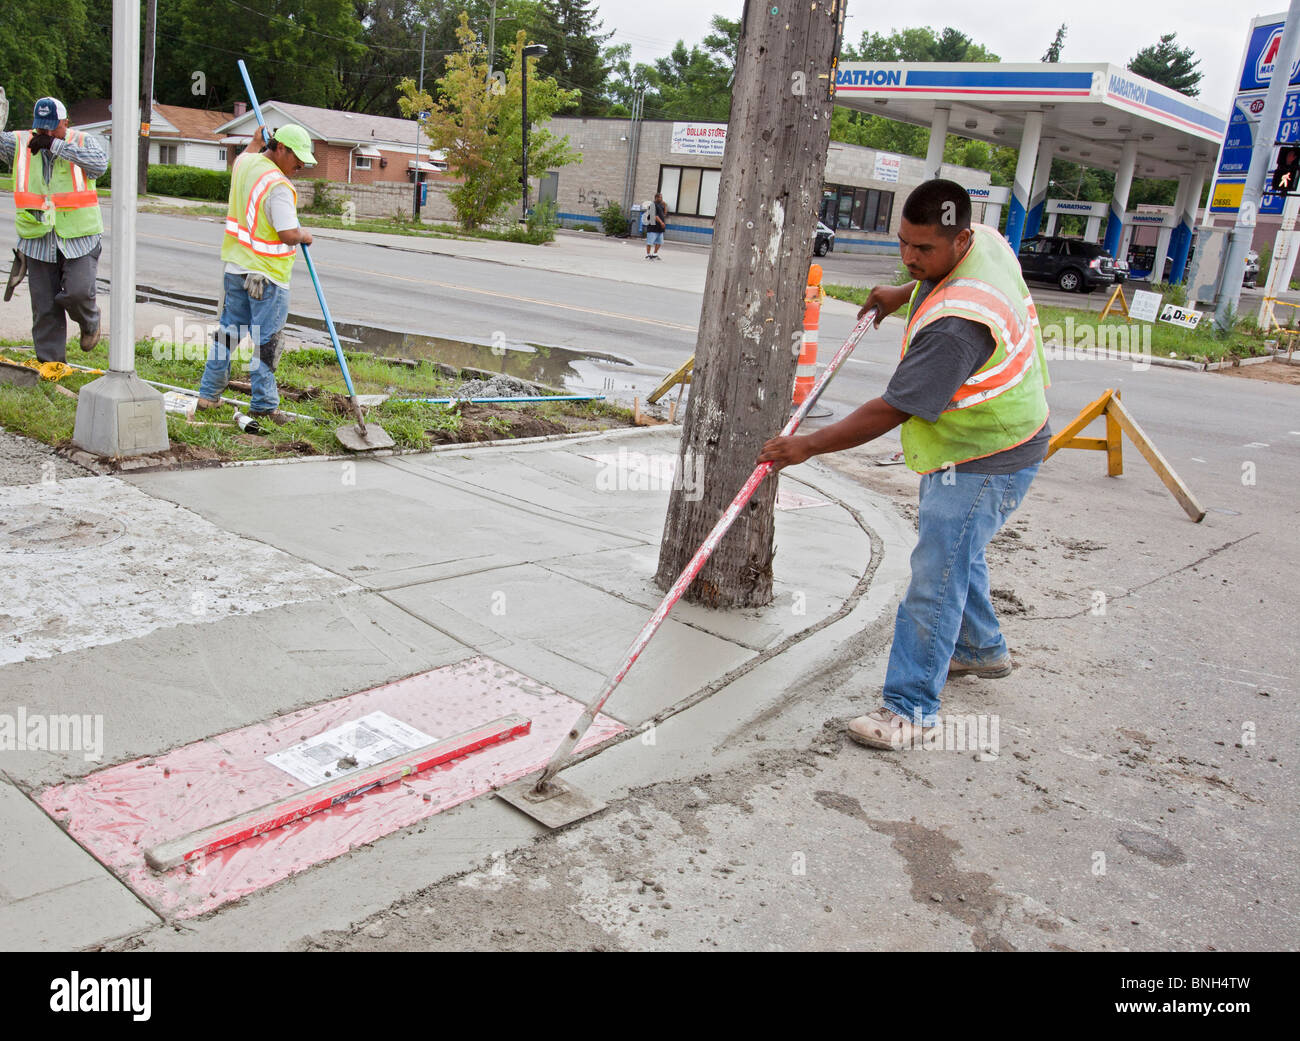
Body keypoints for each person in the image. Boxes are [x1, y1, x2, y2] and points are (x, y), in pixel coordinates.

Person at [759, 179, 1051, 751]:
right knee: (957, 549)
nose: (911, 258)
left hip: (987, 453)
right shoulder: (986, 241)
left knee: (934, 576)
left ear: (960, 238)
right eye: (904, 246)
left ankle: (910, 709)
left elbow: (892, 408)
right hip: (1006, 429)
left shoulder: (956, 326)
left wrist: (808, 447)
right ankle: (980, 649)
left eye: (924, 251)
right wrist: (903, 291)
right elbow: (943, 278)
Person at [197, 123, 316, 423]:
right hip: (268, 278)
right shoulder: (278, 186)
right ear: (279, 148)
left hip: (236, 270)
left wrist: (253, 140)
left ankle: (208, 395)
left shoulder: (245, 164)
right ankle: (263, 405)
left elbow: (248, 153)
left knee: (227, 336)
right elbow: (287, 233)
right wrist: (305, 236)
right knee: (267, 343)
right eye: (297, 157)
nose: (300, 165)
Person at [0, 98, 107, 363]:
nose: (45, 134)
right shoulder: (22, 143)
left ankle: (89, 322)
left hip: (79, 236)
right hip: (37, 238)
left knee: (78, 292)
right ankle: (51, 364)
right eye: (41, 129)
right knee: (45, 306)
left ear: (65, 123)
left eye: (52, 128)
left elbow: (99, 166)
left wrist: (56, 146)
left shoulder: (82, 141)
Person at [645, 192, 667, 260]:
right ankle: (648, 255)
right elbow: (654, 216)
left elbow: (664, 214)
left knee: (659, 242)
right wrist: (661, 222)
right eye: (660, 197)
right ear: (656, 198)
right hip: (653, 226)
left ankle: (655, 254)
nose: (661, 198)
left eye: (662, 197)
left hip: (659, 228)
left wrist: (665, 205)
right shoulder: (652, 205)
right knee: (650, 242)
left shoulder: (661, 205)